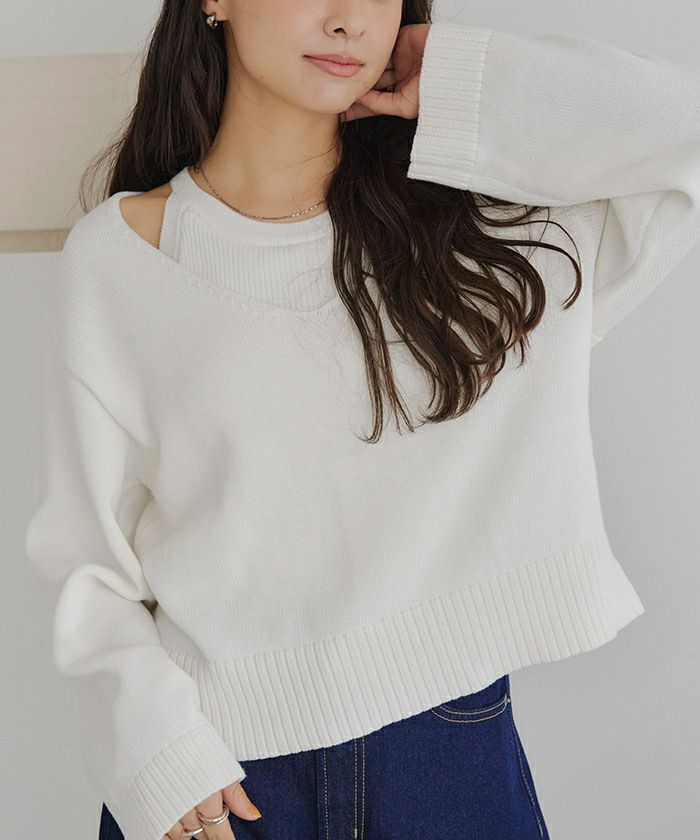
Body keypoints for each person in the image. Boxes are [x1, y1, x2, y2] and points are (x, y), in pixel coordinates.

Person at [24, 1, 700, 839]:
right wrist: (153, 750)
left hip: (448, 761)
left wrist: (455, 77)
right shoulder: (123, 256)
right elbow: (85, 556)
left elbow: (686, 127)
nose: (349, 19)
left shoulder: (486, 229)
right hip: (214, 776)